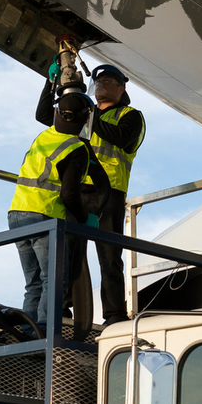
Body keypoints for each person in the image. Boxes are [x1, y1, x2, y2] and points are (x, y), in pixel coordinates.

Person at [33, 63, 144, 326]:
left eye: (108, 81)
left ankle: (115, 313)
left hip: (109, 194)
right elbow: (43, 115)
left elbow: (123, 139)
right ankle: (63, 308)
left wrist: (89, 115)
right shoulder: (85, 114)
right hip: (77, 190)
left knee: (109, 254)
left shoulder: (130, 115)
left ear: (122, 88)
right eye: (99, 81)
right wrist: (51, 84)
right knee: (68, 252)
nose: (101, 85)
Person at [9, 87, 110, 330]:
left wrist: (49, 82)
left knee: (33, 283)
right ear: (86, 119)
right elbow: (69, 193)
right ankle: (45, 333)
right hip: (44, 216)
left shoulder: (44, 137)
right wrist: (85, 217)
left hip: (17, 214)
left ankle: (28, 332)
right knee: (54, 281)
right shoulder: (75, 148)